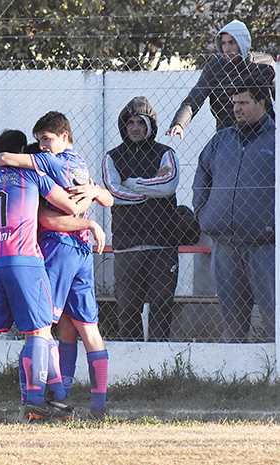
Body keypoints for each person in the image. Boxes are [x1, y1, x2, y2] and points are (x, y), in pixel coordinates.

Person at [0, 128, 101, 424]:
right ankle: (36, 402)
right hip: (23, 259)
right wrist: (93, 193)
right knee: (38, 331)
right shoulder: (32, 175)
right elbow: (71, 205)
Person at [0, 112, 113, 420]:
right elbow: (109, 198)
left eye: (47, 138)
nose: (43, 146)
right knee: (81, 328)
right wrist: (96, 195)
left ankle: (43, 397)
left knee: (41, 327)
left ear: (64, 136)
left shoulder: (49, 163)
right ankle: (97, 404)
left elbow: (47, 218)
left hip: (58, 247)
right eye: (40, 140)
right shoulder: (78, 162)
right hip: (84, 249)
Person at [192, 84, 275, 343]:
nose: (237, 108)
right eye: (235, 103)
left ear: (261, 103)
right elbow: (202, 175)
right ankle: (234, 379)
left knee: (276, 320)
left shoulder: (276, 139)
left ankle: (276, 376)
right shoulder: (221, 139)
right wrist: (203, 214)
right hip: (225, 246)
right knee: (233, 325)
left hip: (266, 247)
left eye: (244, 103)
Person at [102, 96, 180, 342]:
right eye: (130, 123)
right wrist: (149, 190)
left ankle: (159, 364)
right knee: (127, 309)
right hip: (127, 244)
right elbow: (113, 192)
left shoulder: (166, 152)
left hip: (163, 243)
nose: (135, 128)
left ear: (151, 125)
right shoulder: (111, 157)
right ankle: (132, 363)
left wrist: (133, 183)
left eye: (140, 122)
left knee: (161, 306)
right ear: (123, 126)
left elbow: (168, 185)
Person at [166, 19, 275, 139]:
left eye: (232, 43)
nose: (227, 49)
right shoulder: (214, 68)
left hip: (263, 131)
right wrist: (179, 123)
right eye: (223, 43)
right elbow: (194, 98)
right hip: (227, 133)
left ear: (242, 42)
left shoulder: (264, 65)